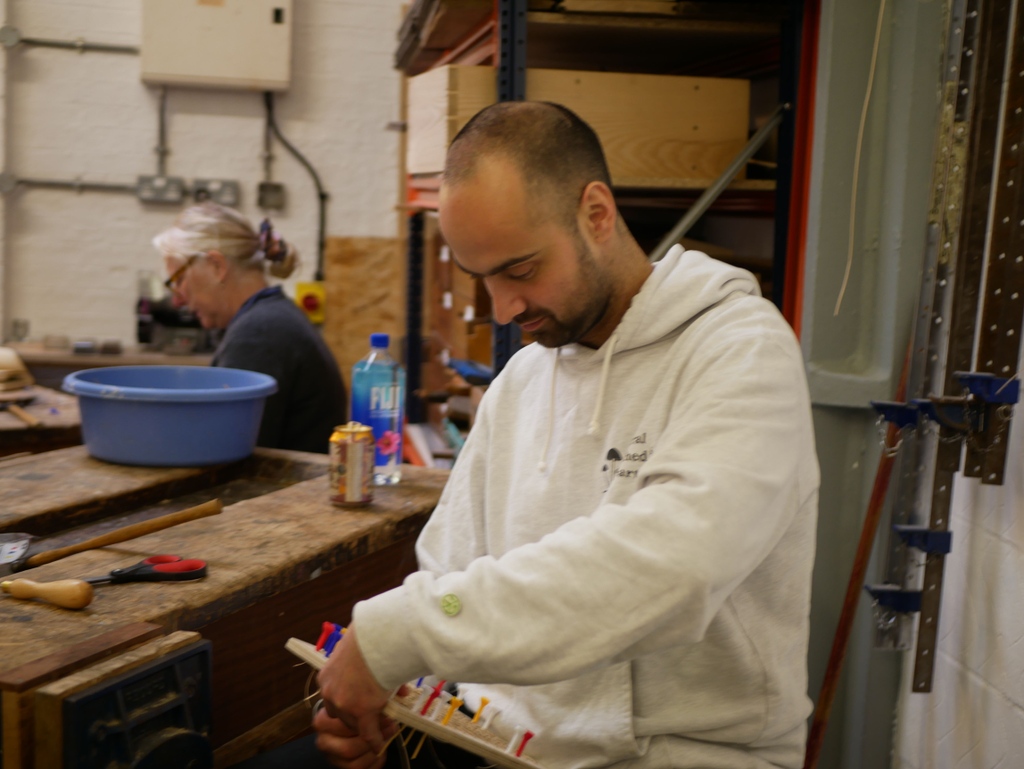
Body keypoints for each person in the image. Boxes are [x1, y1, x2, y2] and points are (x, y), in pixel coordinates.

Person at [305, 101, 819, 769]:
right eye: (481, 278)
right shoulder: (522, 379)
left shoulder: (740, 352)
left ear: (596, 214)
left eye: (519, 270)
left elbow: (670, 569)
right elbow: (452, 574)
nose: (505, 309)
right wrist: (396, 701)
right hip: (499, 742)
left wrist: (400, 632)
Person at [154, 203, 347, 454]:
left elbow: (226, 453)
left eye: (178, 280)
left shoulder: (259, 335)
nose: (177, 299)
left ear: (216, 266)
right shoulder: (271, 319)